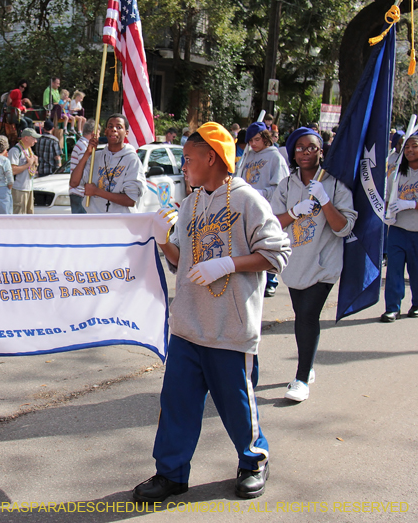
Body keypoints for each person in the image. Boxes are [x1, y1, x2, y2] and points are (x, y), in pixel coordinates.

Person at [134, 122, 291, 505]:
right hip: (188, 326)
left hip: (228, 328)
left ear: (212, 157)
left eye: (188, 159)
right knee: (177, 404)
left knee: (237, 404)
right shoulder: (189, 204)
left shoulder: (247, 200)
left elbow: (277, 253)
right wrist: (162, 240)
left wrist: (229, 264)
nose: (183, 166)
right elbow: (182, 262)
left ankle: (253, 462)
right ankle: (171, 473)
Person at [270, 127, 356, 402]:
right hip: (295, 263)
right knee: (302, 317)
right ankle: (308, 363)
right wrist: (294, 212)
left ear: (321, 152)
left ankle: (301, 378)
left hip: (324, 264)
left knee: (307, 316)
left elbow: (343, 228)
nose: (305, 153)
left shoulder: (334, 183)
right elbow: (272, 223)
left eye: (312, 148)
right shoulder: (286, 185)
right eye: (300, 148)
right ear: (293, 152)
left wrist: (325, 200)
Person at [238, 122, 289, 297]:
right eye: (250, 140)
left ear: (266, 138)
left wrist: (260, 192)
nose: (253, 143)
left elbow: (280, 187)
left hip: (268, 209)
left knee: (267, 244)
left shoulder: (276, 158)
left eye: (257, 139)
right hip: (248, 207)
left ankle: (271, 280)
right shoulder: (248, 156)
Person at [69, 114, 144, 214]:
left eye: (119, 127)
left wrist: (96, 191)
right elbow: (74, 183)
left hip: (120, 221)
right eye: (110, 126)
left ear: (126, 133)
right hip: (96, 220)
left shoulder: (131, 160)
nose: (114, 129)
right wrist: (87, 153)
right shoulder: (96, 157)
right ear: (105, 131)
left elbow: (130, 200)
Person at [381, 131, 418, 322]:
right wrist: (387, 214)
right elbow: (387, 197)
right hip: (397, 229)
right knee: (394, 270)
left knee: (416, 270)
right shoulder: (396, 174)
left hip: (417, 231)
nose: (410, 150)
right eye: (408, 147)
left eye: (415, 146)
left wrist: (411, 204)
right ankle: (392, 308)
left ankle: (417, 304)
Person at [8, 128, 39, 214]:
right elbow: (12, 170)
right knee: (19, 215)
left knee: (30, 215)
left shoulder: (29, 149)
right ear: (26, 138)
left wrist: (35, 164)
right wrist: (28, 164)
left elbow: (31, 170)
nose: (36, 141)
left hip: (29, 188)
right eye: (34, 138)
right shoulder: (15, 151)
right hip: (19, 188)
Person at [68, 119, 95, 214]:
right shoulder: (84, 146)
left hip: (77, 191)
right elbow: (86, 167)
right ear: (93, 133)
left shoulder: (81, 144)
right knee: (82, 225)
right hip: (80, 191)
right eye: (98, 133)